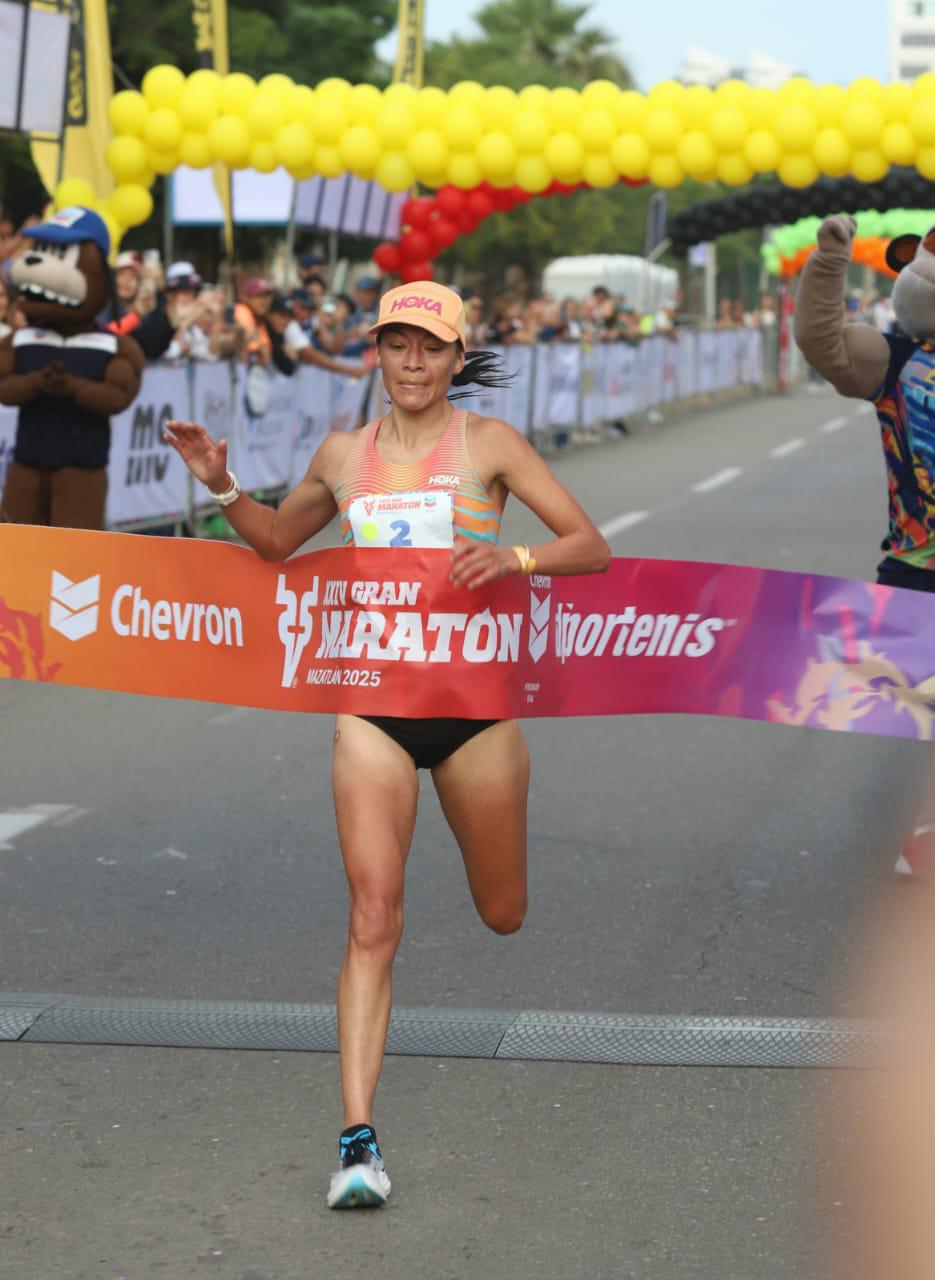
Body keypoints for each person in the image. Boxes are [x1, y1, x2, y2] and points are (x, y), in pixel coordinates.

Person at [163, 280, 610, 1210]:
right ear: (376, 352)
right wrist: (222, 486)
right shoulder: (343, 454)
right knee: (373, 917)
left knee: (503, 914)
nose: (412, 363)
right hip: (370, 704)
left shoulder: (487, 445)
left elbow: (588, 544)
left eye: (430, 348)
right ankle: (356, 1140)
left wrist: (514, 557)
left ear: (455, 358)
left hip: (474, 711)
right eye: (396, 345)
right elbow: (278, 544)